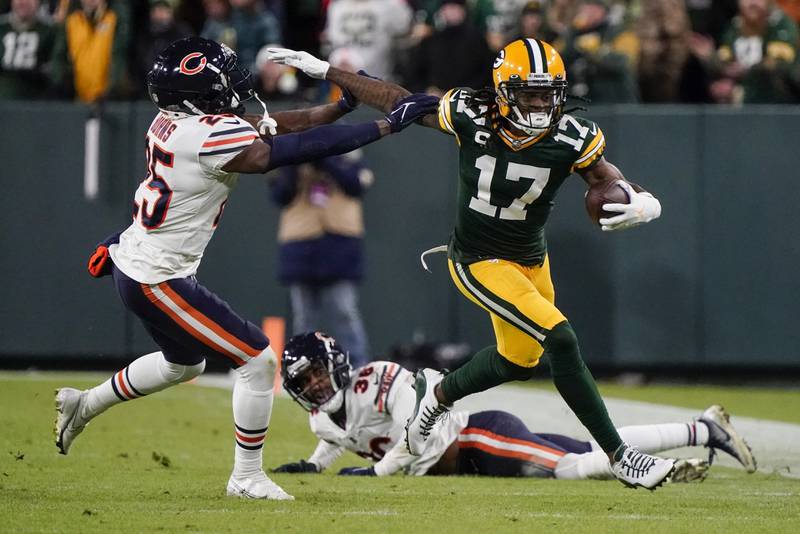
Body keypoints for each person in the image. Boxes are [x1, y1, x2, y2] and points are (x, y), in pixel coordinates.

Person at [268, 37, 673, 490]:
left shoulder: (573, 134)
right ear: (502, 91)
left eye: (547, 93)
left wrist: (642, 200)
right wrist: (329, 71)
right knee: (561, 338)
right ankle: (620, 456)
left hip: (531, 259)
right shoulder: (469, 113)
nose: (540, 104)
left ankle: (437, 398)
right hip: (479, 259)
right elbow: (399, 100)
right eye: (529, 93)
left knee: (520, 361)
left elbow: (606, 179)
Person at [53, 36, 439, 501]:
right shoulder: (206, 135)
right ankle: (246, 476)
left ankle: (85, 405)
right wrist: (383, 126)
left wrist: (338, 108)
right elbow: (288, 150)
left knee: (183, 365)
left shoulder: (173, 122)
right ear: (195, 97)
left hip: (140, 263)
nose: (233, 90)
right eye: (220, 85)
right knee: (258, 360)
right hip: (157, 276)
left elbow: (275, 126)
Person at [273, 332, 757, 481]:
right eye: (306, 381)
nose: (315, 385)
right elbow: (341, 436)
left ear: (336, 365)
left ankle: (666, 471)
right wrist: (316, 466)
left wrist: (378, 475)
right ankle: (703, 429)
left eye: (317, 373)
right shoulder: (321, 417)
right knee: (593, 449)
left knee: (572, 468)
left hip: (475, 439)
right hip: (469, 458)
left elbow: (410, 435)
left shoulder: (377, 379)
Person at [0, 0, 56, 99]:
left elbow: (56, 70)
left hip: (35, 101)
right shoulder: (2, 28)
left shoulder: (50, 31)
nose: (23, 2)